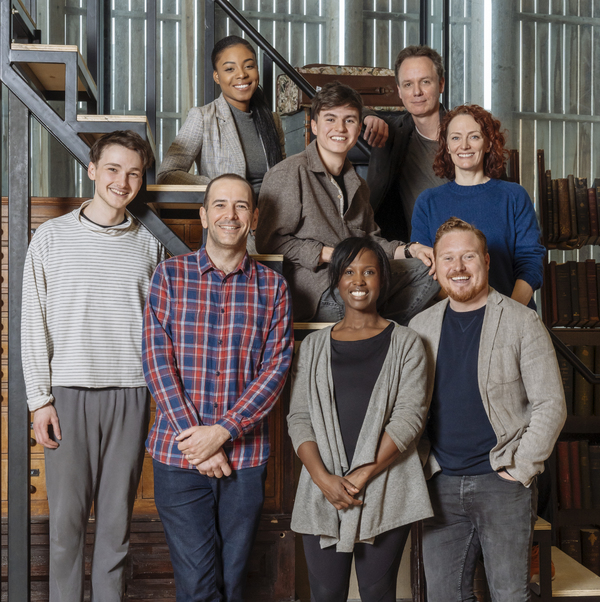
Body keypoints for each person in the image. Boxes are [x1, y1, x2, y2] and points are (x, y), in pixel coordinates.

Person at [21, 130, 166, 602]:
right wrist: (39, 400)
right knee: (64, 525)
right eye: (113, 169)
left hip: (131, 393)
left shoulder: (150, 243)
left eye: (133, 173)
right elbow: (32, 323)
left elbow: (159, 326)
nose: (122, 182)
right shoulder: (51, 237)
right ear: (92, 170)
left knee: (116, 525)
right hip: (68, 394)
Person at [142, 173, 294, 602]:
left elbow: (276, 369)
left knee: (232, 581)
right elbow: (157, 362)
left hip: (244, 459)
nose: (231, 214)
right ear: (204, 215)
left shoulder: (274, 287)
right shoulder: (169, 277)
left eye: (242, 206)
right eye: (221, 205)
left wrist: (223, 432)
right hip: (178, 455)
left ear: (255, 217)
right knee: (197, 586)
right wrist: (199, 442)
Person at [409, 218, 566, 602]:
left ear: (486, 261)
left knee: (509, 595)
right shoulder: (420, 326)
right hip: (441, 482)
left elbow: (551, 403)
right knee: (445, 596)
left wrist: (521, 467)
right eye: (448, 258)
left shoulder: (521, 321)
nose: (458, 267)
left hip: (502, 482)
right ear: (437, 266)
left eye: (467, 257)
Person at [287, 237, 433, 602]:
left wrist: (362, 474)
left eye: (369, 271)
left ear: (382, 278)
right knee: (325, 593)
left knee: (377, 591)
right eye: (349, 272)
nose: (359, 281)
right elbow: (299, 417)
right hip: (322, 488)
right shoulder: (314, 346)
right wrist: (324, 479)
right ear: (336, 280)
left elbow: (409, 419)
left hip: (386, 486)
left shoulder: (409, 343)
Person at [255, 80, 438, 324]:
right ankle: (380, 332)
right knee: (363, 299)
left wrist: (409, 249)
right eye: (330, 119)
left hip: (357, 278)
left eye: (349, 120)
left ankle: (378, 333)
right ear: (315, 126)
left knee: (434, 271)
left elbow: (370, 242)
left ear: (358, 127)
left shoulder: (357, 184)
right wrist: (331, 254)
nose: (340, 128)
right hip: (316, 291)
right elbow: (268, 242)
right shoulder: (289, 173)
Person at [411, 104, 546, 308]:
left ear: (489, 144)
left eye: (474, 137)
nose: (464, 146)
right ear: (447, 146)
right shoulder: (428, 202)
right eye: (456, 138)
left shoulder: (514, 196)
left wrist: (508, 312)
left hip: (512, 313)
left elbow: (530, 262)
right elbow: (425, 269)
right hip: (450, 316)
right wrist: (464, 312)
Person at [156, 34, 284, 197]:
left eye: (249, 66)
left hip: (272, 213)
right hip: (228, 215)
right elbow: (167, 175)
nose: (241, 75)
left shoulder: (273, 120)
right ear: (217, 76)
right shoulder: (202, 117)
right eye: (230, 69)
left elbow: (283, 176)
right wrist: (219, 188)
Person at [367, 45, 448, 242]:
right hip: (417, 254)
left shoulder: (465, 134)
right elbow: (342, 106)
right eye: (408, 84)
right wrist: (367, 116)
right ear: (400, 91)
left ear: (441, 85)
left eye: (425, 82)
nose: (417, 92)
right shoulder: (396, 135)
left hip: (467, 248)